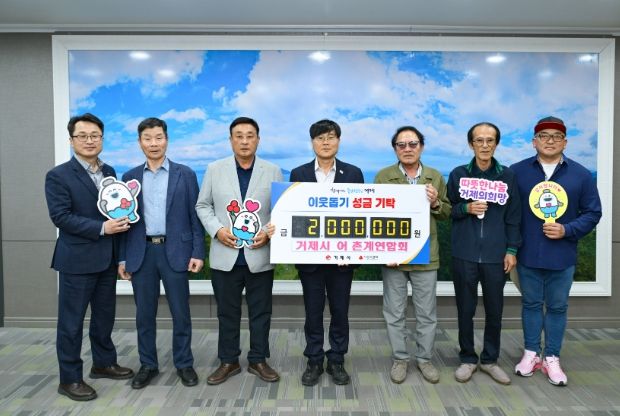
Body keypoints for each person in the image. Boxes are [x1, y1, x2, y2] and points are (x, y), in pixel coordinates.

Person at [45, 113, 134, 401]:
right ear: (71, 140)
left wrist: (120, 256)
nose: (89, 140)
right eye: (82, 136)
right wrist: (101, 228)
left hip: (106, 259)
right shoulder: (58, 175)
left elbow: (115, 210)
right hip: (76, 261)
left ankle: (103, 363)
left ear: (102, 139)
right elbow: (61, 217)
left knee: (104, 317)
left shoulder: (109, 171)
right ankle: (70, 379)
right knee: (71, 323)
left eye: (95, 135)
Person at [511, 116, 601, 386]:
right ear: (534, 141)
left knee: (558, 307)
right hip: (527, 254)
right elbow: (507, 212)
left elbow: (593, 213)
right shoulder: (516, 172)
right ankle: (530, 353)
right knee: (530, 304)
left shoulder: (581, 174)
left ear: (565, 142)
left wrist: (567, 229)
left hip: (562, 254)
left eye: (556, 136)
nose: (550, 141)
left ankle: (552, 357)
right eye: (544, 135)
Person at [118, 117, 205, 389]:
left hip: (176, 251)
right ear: (140, 142)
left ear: (167, 140)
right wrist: (122, 257)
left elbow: (195, 216)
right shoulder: (129, 177)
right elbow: (122, 221)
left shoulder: (185, 174)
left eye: (158, 138)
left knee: (181, 313)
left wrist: (198, 252)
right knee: (144, 315)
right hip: (141, 252)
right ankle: (148, 365)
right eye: (147, 138)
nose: (153, 143)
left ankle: (184, 363)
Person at [196, 116, 282, 385]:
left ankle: (258, 359)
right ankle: (228, 361)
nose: (244, 141)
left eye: (250, 136)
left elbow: (281, 210)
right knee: (227, 313)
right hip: (226, 255)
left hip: (259, 255)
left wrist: (267, 232)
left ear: (258, 139)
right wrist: (217, 230)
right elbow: (203, 205)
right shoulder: (214, 169)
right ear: (231, 140)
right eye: (239, 136)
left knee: (261, 313)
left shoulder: (273, 170)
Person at [289, 119, 364, 386]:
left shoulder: (353, 173)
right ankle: (314, 359)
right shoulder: (298, 173)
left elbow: (361, 215)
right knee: (313, 312)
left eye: (331, 137)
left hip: (342, 259)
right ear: (312, 142)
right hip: (310, 258)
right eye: (320, 138)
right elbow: (293, 214)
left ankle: (337, 359)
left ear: (338, 141)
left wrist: (353, 251)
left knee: (340, 311)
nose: (325, 142)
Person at [374, 126, 451, 384]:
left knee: (426, 313)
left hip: (425, 255)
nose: (407, 149)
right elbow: (374, 216)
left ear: (422, 147)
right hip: (393, 257)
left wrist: (435, 202)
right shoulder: (383, 176)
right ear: (395, 148)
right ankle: (400, 359)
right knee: (394, 312)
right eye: (402, 145)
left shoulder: (434, 176)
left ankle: (425, 359)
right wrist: (381, 250)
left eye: (413, 144)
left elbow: (446, 213)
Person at [447, 122, 521, 385]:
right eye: (479, 140)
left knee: (494, 310)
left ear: (496, 144)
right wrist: (466, 208)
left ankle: (490, 360)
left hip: (495, 256)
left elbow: (514, 217)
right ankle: (467, 358)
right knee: (465, 310)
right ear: (471, 144)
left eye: (490, 140)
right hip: (464, 254)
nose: (485, 145)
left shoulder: (507, 176)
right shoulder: (458, 174)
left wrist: (511, 250)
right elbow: (448, 210)